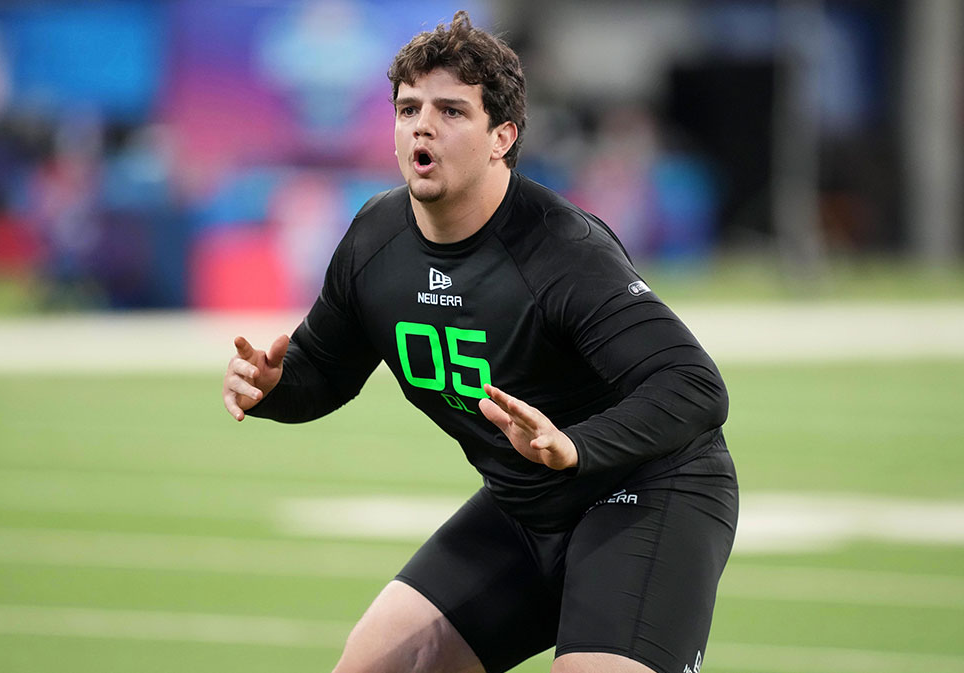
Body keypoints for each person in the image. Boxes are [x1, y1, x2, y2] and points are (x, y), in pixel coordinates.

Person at [223, 11, 736, 673]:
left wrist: (576, 446)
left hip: (647, 492)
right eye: (408, 108)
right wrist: (272, 389)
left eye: (450, 111)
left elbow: (694, 386)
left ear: (503, 136)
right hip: (525, 502)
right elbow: (324, 366)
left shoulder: (561, 251)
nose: (422, 127)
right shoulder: (375, 239)